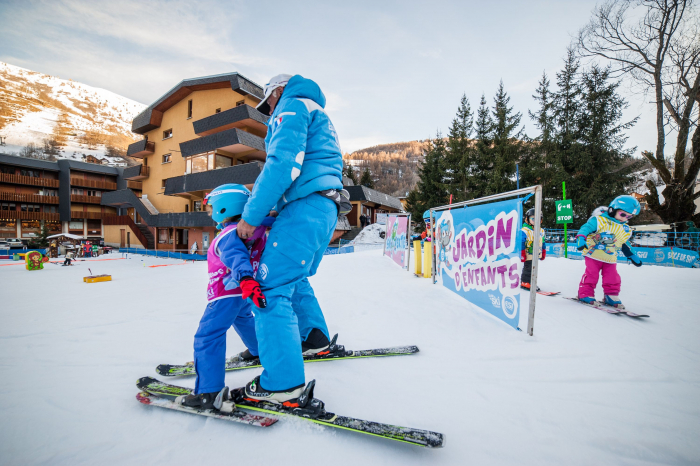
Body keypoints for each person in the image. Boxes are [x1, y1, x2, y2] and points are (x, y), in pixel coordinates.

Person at [235, 73, 343, 408]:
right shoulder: (317, 111)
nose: (269, 111)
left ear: (278, 91)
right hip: (323, 206)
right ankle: (313, 338)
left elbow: (282, 164)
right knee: (291, 278)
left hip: (304, 206)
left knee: (268, 289)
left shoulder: (292, 105)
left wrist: (251, 216)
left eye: (268, 102)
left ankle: (282, 383)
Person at [179, 184, 272, 409]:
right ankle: (258, 349)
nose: (210, 212)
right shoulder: (254, 231)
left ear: (224, 207)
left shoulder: (229, 234)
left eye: (212, 207)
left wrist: (245, 277)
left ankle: (208, 392)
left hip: (225, 292)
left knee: (208, 336)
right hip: (240, 292)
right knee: (243, 318)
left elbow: (235, 256)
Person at [576, 195, 643, 308]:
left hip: (610, 258)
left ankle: (611, 295)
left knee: (613, 277)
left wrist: (632, 255)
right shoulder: (599, 220)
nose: (624, 218)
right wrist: (581, 238)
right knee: (591, 275)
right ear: (612, 210)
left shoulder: (624, 228)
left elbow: (623, 243)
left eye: (629, 217)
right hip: (593, 255)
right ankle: (585, 293)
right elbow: (585, 228)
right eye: (622, 214)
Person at [520, 208, 545, 291]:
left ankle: (532, 282)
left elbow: (543, 241)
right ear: (527, 219)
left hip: (537, 253)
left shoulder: (541, 231)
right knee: (528, 268)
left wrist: (543, 251)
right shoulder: (525, 230)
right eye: (533, 218)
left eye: (538, 218)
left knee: (534, 268)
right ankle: (525, 282)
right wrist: (522, 253)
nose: (535, 221)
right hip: (528, 254)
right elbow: (521, 242)